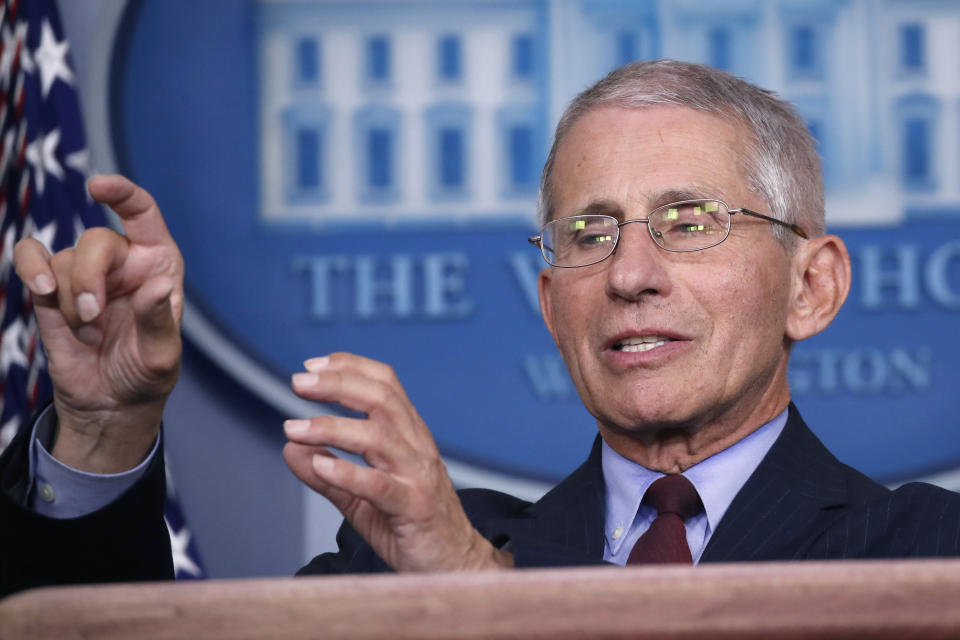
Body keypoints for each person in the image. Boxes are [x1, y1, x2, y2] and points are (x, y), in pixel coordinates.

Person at [3, 60, 960, 596]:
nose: (629, 274)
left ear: (813, 286)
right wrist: (102, 431)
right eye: (588, 233)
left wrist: (477, 594)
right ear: (553, 306)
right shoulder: (395, 556)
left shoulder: (923, 555)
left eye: (689, 222)